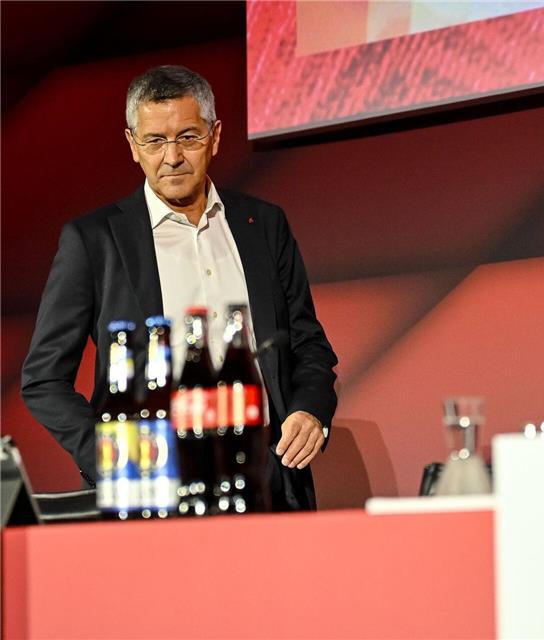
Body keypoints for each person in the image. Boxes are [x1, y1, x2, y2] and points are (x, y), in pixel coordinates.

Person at [21, 65, 338, 511]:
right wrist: (115, 460)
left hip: (270, 485)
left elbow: (308, 344)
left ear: (215, 135)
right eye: (154, 140)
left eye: (188, 136)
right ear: (133, 145)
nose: (171, 157)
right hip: (155, 492)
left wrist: (311, 411)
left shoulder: (263, 225)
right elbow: (44, 379)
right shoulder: (94, 241)